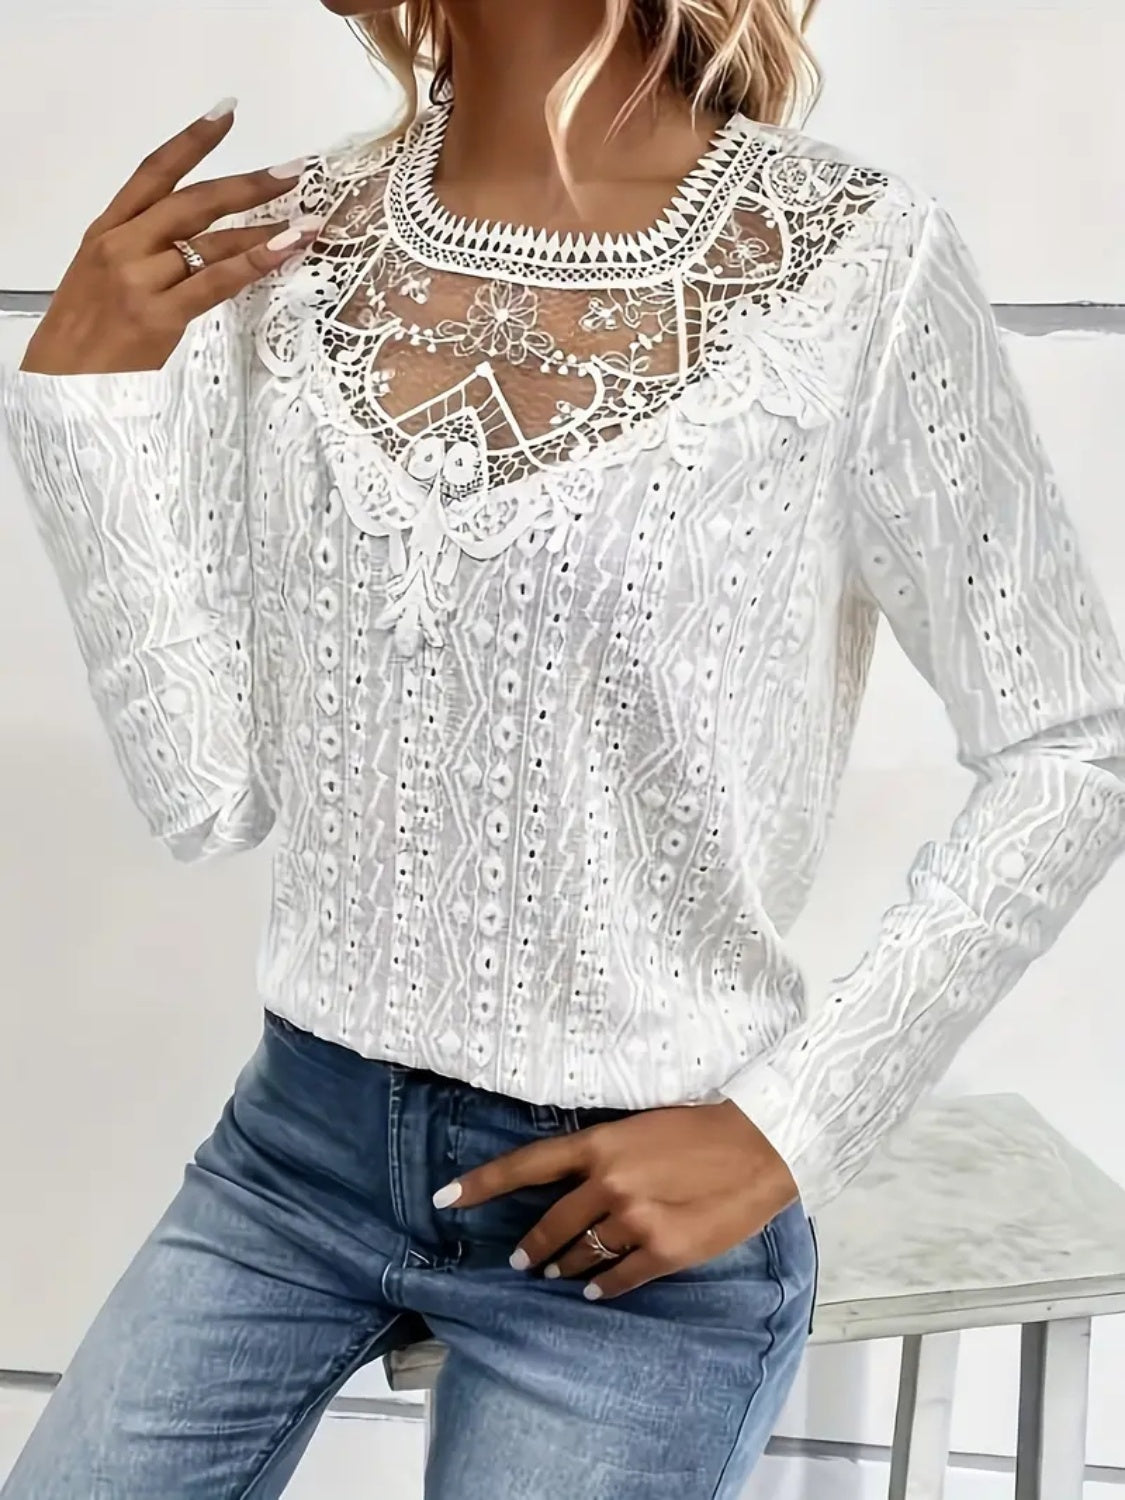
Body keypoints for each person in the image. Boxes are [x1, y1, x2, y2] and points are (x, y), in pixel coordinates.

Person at [3, 1, 1125, 1496]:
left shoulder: (854, 263)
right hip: (295, 1154)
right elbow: (210, 791)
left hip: (622, 1229)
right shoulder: (288, 251)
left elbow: (1073, 739)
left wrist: (788, 1129)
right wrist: (79, 405)